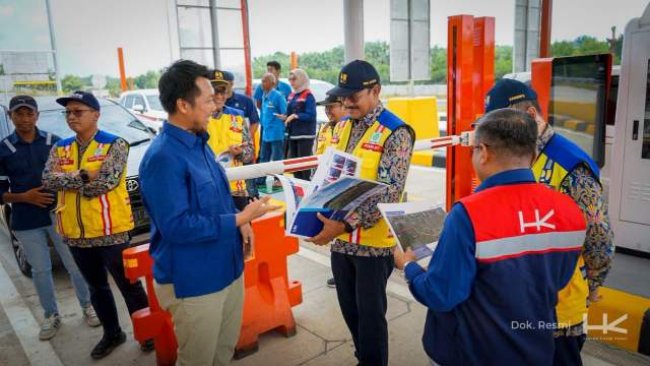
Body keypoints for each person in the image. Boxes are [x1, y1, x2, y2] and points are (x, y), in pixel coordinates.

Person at [394, 109, 586, 365]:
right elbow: (558, 279)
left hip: (472, 352)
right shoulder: (568, 209)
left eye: (473, 150)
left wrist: (408, 266)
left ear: (483, 152)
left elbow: (441, 295)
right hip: (536, 349)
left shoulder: (467, 215)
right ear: (533, 153)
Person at [139, 60, 279, 366]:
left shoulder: (199, 143)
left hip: (227, 268)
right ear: (183, 105)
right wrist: (240, 218)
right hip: (194, 282)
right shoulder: (163, 157)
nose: (215, 106)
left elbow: (217, 194)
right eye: (207, 100)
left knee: (222, 352)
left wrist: (238, 223)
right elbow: (177, 226)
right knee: (197, 360)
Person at [484, 79, 615, 366]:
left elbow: (598, 241)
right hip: (513, 305)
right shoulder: (512, 156)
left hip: (557, 314)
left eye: (504, 125)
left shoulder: (570, 166)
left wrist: (591, 287)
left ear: (531, 116)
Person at [307, 60, 414, 366]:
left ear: (376, 91)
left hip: (371, 245)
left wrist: (340, 227)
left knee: (370, 318)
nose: (346, 102)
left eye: (354, 95)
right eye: (343, 96)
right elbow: (329, 178)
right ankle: (363, 359)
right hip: (340, 243)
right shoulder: (341, 128)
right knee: (350, 312)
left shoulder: (396, 132)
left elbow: (388, 193)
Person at [42, 91, 151, 359]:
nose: (71, 117)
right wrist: (82, 176)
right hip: (76, 235)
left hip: (110, 231)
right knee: (97, 289)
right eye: (67, 112)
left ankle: (149, 332)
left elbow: (105, 184)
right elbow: (48, 180)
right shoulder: (60, 147)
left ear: (95, 114)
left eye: (78, 111)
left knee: (129, 286)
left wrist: (71, 181)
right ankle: (113, 333)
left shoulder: (115, 145)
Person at [0, 95, 99, 341]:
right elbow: (0, 193)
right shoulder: (4, 149)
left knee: (74, 264)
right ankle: (51, 315)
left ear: (37, 115)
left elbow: (72, 177)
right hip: (26, 220)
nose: (24, 119)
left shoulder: (54, 143)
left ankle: (88, 307)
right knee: (41, 270)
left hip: (60, 214)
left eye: (28, 113)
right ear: (11, 116)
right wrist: (25, 197)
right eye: (18, 114)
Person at [207, 69, 254, 210]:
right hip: (208, 190)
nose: (220, 96)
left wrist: (240, 153)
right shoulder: (197, 120)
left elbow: (249, 154)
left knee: (243, 230)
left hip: (236, 190)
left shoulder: (237, 117)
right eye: (216, 91)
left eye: (223, 91)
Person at [314, 94, 347, 289]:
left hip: (344, 188)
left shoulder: (351, 128)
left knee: (343, 231)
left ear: (344, 105)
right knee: (332, 232)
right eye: (325, 108)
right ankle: (339, 273)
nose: (327, 111)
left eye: (331, 106)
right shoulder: (325, 128)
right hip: (326, 188)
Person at [280, 68, 317, 181]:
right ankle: (298, 185)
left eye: (294, 79)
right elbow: (290, 113)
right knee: (295, 164)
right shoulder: (292, 95)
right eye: (290, 79)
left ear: (301, 79)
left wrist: (296, 116)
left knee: (304, 164)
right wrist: (285, 117)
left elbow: (311, 115)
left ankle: (306, 185)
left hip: (305, 135)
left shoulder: (308, 95)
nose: (291, 82)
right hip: (293, 134)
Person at [259, 72, 288, 164]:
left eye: (264, 81)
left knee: (277, 161)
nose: (262, 83)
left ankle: (278, 178)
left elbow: (285, 113)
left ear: (272, 83)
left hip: (276, 134)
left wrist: (283, 117)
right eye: (262, 81)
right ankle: (261, 179)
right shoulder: (264, 95)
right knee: (263, 159)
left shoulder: (278, 96)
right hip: (266, 133)